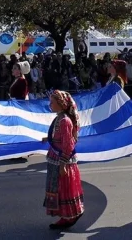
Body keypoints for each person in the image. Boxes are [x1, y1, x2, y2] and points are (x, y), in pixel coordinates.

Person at [42, 90, 85, 230]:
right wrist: (48, 138)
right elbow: (59, 137)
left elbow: (68, 144)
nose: (50, 104)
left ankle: (69, 216)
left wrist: (63, 164)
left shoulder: (65, 121)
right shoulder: (59, 118)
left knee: (63, 190)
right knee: (58, 190)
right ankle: (66, 216)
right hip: (56, 158)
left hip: (62, 160)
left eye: (52, 102)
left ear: (60, 104)